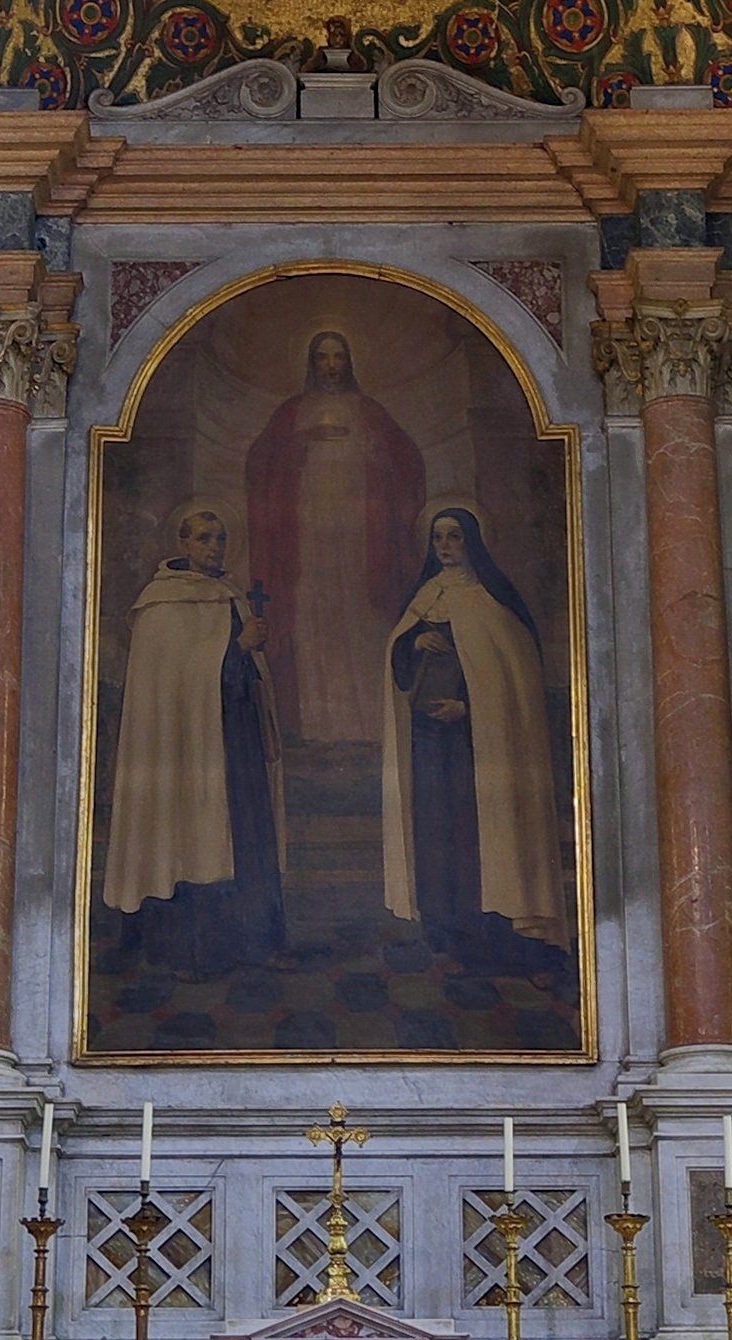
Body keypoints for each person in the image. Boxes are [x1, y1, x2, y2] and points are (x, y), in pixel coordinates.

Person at [380, 505, 573, 969]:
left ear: (472, 543)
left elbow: (512, 682)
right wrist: (411, 644)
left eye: (454, 537)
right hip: (428, 740)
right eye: (438, 538)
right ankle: (442, 927)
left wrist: (468, 707)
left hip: (477, 746)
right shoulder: (425, 599)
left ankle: (487, 930)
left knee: (477, 835)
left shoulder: (494, 603)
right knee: (434, 832)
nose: (444, 547)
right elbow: (400, 669)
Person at [100, 501, 287, 972]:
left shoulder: (230, 595)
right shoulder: (161, 604)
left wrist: (249, 655)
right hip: (182, 748)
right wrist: (236, 649)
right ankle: (189, 950)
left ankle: (251, 942)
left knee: (239, 836)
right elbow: (173, 680)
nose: (213, 547)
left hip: (233, 738)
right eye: (203, 538)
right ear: (182, 543)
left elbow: (238, 672)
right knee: (185, 837)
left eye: (220, 538)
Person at [244, 326, 425, 747]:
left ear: (348, 362)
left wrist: (377, 454)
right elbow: (260, 465)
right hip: (307, 541)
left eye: (337, 358)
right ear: (311, 362)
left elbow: (408, 466)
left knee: (362, 618)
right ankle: (316, 730)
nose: (330, 366)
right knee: (312, 618)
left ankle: (368, 729)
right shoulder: (291, 414)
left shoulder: (370, 412)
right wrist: (298, 445)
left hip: (362, 540)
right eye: (322, 358)